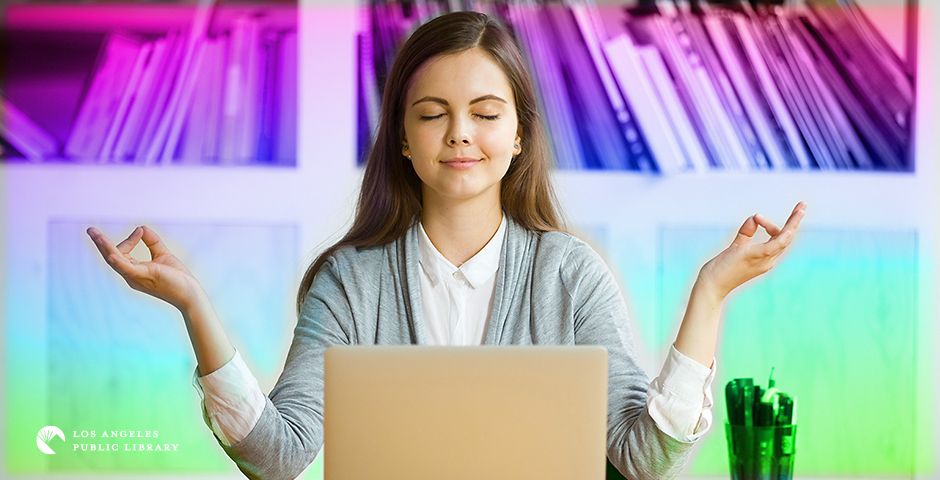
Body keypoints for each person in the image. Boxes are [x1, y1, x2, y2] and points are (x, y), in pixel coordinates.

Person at [87, 11, 806, 480]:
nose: (460, 133)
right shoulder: (350, 282)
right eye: (433, 115)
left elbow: (643, 459)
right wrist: (192, 305)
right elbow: (277, 458)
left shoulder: (570, 275)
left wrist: (710, 293)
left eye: (485, 114)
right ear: (402, 138)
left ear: (518, 134)